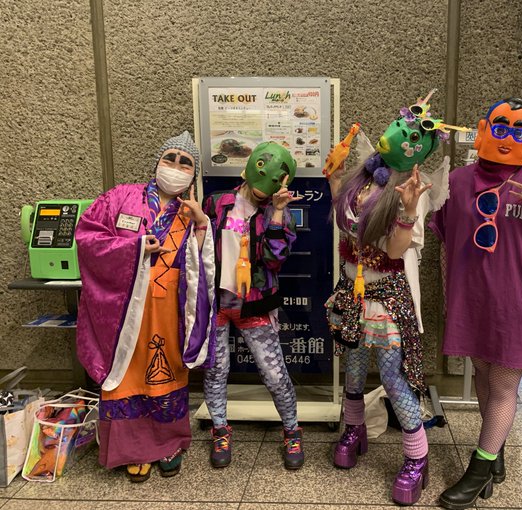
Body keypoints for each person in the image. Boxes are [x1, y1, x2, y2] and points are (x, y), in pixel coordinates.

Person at [430, 98, 522, 509]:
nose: (508, 137)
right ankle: (496, 451)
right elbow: (445, 238)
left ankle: (478, 470)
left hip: (518, 304)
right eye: (501, 127)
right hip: (474, 301)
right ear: (483, 129)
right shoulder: (457, 181)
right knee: (484, 377)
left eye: (519, 130)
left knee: (505, 385)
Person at [326, 92, 456, 506]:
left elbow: (397, 251)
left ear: (420, 150)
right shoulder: (364, 174)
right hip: (352, 291)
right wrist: (335, 177)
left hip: (386, 297)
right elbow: (344, 220)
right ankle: (354, 429)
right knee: (353, 370)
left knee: (393, 377)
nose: (399, 133)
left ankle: (417, 458)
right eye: (400, 125)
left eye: (412, 135)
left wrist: (408, 209)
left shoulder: (410, 187)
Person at [76, 131, 216, 482]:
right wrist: (136, 247)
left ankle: (168, 443)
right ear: (157, 162)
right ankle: (131, 449)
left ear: (193, 174)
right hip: (124, 311)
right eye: (170, 158)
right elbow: (88, 238)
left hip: (170, 309)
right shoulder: (120, 197)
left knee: (165, 371)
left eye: (185, 163)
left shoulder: (190, 210)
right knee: (128, 373)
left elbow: (202, 266)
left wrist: (201, 223)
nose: (176, 167)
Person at [202, 142, 305, 470]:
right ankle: (220, 430)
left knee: (274, 373)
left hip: (256, 304)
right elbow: (201, 248)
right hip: (217, 302)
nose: (264, 190)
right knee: (216, 370)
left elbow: (274, 260)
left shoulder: (279, 213)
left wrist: (277, 213)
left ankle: (292, 431)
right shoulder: (217, 203)